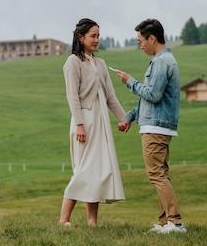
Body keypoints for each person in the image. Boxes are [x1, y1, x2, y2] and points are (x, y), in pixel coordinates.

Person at [111, 18, 186, 234]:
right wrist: (130, 117)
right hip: (155, 125)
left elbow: (152, 95)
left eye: (140, 41)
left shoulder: (163, 62)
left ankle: (176, 223)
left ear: (152, 38)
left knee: (156, 175)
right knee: (160, 173)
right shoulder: (162, 60)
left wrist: (130, 82)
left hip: (156, 128)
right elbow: (148, 99)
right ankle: (165, 222)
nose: (139, 45)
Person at [59, 18, 128, 228]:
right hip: (84, 123)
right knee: (83, 170)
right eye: (93, 36)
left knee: (97, 171)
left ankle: (92, 221)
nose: (97, 39)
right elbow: (72, 96)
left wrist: (123, 117)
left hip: (101, 123)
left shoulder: (100, 64)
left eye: (98, 35)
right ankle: (63, 219)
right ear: (81, 37)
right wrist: (79, 124)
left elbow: (110, 96)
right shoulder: (72, 62)